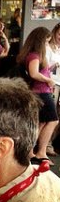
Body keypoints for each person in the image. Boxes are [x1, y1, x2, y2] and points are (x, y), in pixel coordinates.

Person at [16, 27, 58, 164]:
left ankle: (31, 151)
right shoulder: (35, 55)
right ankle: (40, 152)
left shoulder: (34, 54)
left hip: (41, 91)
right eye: (46, 41)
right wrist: (48, 80)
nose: (47, 44)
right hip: (41, 92)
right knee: (53, 120)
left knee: (40, 123)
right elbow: (34, 73)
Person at [45, 22, 60, 156]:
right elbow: (43, 67)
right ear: (55, 32)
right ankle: (46, 144)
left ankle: (51, 142)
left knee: (57, 116)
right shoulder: (47, 47)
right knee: (51, 115)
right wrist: (54, 65)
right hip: (51, 84)